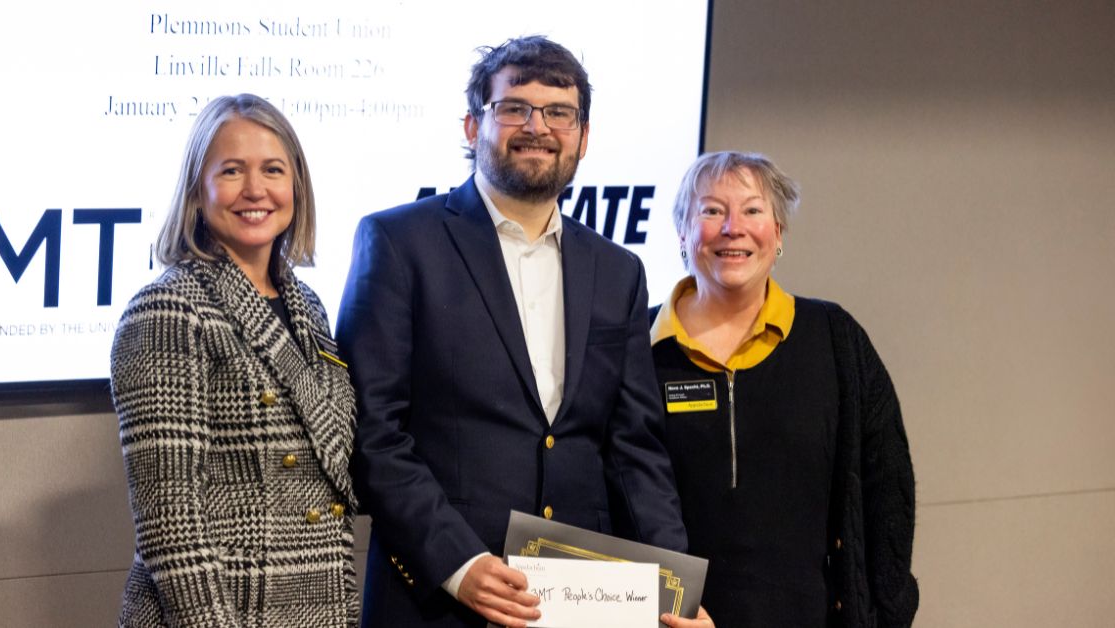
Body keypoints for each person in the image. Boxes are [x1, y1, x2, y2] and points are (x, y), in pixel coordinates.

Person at [338, 36, 708, 628]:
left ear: (583, 137)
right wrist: (459, 563)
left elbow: (635, 448)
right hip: (439, 601)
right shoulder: (399, 243)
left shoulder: (618, 271)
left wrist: (676, 591)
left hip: (583, 605)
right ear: (471, 125)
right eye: (514, 108)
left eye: (559, 112)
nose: (537, 127)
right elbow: (372, 433)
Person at [110, 93, 358, 627]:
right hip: (226, 613)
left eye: (273, 169)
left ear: (297, 185)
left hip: (316, 605)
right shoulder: (168, 310)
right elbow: (171, 527)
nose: (255, 190)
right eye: (231, 171)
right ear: (198, 191)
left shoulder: (308, 306)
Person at [650, 150, 919, 627]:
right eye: (711, 211)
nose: (733, 227)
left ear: (778, 234)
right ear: (682, 233)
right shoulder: (637, 347)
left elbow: (887, 490)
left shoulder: (836, 340)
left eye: (753, 210)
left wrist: (885, 616)